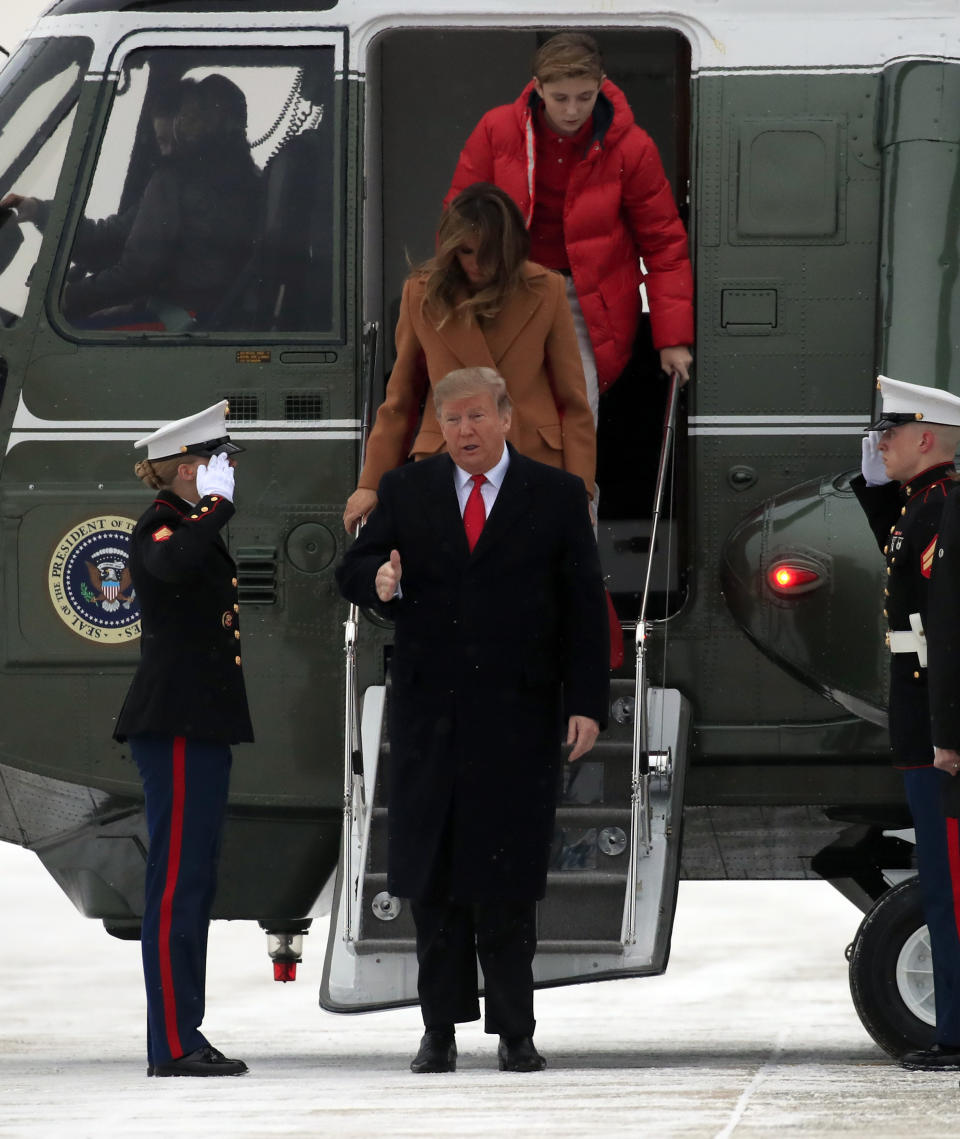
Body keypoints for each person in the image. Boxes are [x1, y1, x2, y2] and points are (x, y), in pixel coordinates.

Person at [335, 367, 609, 1074]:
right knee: (433, 880)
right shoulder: (407, 490)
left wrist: (587, 701)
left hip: (519, 716)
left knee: (509, 879)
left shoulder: (553, 496)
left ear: (506, 417)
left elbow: (584, 605)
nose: (464, 431)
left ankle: (515, 1030)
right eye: (452, 420)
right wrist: (378, 582)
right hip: (432, 716)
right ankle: (439, 1029)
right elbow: (354, 566)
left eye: (477, 417)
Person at [444, 31, 693, 423]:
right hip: (506, 287)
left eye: (585, 96)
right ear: (538, 88)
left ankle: (578, 488)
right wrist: (457, 297)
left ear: (602, 85)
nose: (573, 110)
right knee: (495, 409)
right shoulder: (497, 131)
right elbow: (458, 225)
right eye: (561, 98)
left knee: (577, 410)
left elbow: (663, 244)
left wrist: (673, 339)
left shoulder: (633, 147)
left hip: (584, 297)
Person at [113, 399, 251, 1078]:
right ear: (189, 467)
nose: (229, 475)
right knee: (177, 884)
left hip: (199, 724)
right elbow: (170, 566)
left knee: (194, 879)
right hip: (175, 724)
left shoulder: (187, 524)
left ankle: (182, 1032)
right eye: (218, 462)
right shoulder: (163, 526)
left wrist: (211, 512)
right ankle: (171, 1042)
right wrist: (215, 509)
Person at [342, 182, 595, 532]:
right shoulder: (420, 295)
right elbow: (400, 401)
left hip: (532, 462)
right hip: (448, 463)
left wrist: (580, 487)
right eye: (465, 251)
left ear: (510, 247)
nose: (477, 264)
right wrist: (370, 483)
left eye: (488, 252)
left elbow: (573, 403)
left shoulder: (547, 290)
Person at [852, 374, 960, 1071]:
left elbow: (949, 632)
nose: (878, 445)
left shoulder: (945, 507)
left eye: (888, 435)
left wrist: (949, 733)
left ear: (926, 438)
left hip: (938, 732)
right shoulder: (922, 504)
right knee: (944, 880)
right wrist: (870, 474)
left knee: (951, 883)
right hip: (923, 725)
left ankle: (956, 1030)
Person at [61, 74, 259, 327]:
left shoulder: (176, 179)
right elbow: (120, 234)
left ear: (183, 127)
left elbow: (139, 270)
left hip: (186, 318)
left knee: (72, 331)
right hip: (207, 315)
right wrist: (41, 212)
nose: (165, 152)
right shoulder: (246, 178)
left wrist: (72, 296)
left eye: (166, 141)